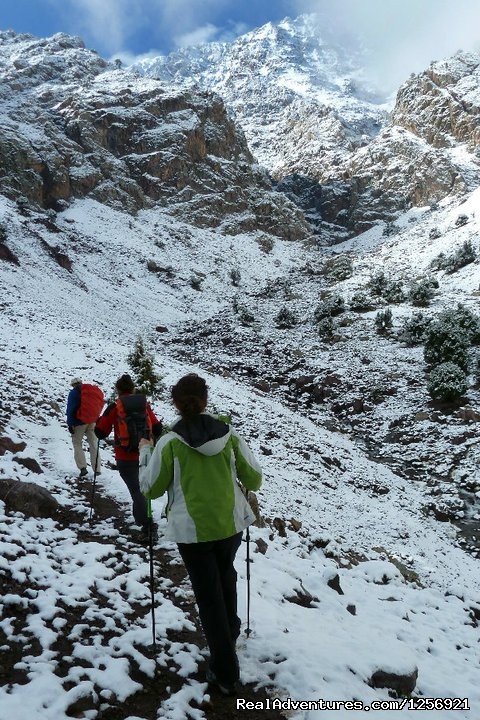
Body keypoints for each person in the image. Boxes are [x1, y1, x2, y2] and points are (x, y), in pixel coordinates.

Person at [139, 373, 262, 695]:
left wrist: (145, 454)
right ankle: (230, 632)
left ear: (176, 404)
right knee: (226, 577)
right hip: (230, 523)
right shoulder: (229, 434)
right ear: (205, 399)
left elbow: (150, 490)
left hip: (192, 532)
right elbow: (255, 478)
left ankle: (225, 671)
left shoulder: (168, 442)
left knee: (208, 597)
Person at [95, 374, 162, 539]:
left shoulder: (115, 407)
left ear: (118, 390)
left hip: (125, 457)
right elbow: (158, 428)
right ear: (132, 389)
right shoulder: (143, 406)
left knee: (136, 491)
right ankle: (143, 521)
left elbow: (100, 432)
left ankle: (147, 526)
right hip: (145, 454)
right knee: (141, 490)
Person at [66, 378, 103, 478]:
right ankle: (97, 469)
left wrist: (70, 424)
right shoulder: (90, 391)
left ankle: (83, 468)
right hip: (92, 421)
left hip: (79, 423)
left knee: (77, 443)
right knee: (93, 444)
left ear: (73, 384)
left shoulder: (74, 393)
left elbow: (71, 409)